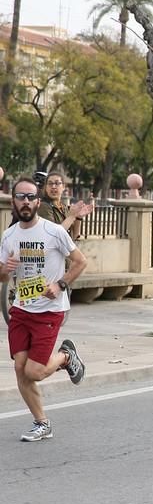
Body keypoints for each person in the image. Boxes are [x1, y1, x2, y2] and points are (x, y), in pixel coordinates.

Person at [0, 178, 88, 441]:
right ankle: (42, 423)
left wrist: (60, 284)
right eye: (20, 197)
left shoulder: (53, 232)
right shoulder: (9, 235)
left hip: (49, 311)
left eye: (30, 197)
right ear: (13, 201)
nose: (25, 202)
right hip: (21, 310)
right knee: (20, 368)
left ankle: (66, 356)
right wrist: (5, 271)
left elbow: (81, 262)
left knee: (34, 372)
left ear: (38, 202)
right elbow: (2, 277)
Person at [37, 171, 94, 239]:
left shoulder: (64, 207)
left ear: (63, 187)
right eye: (50, 183)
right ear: (46, 187)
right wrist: (72, 216)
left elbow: (74, 236)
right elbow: (53, 235)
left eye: (57, 183)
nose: (53, 186)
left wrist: (78, 217)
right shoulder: (43, 206)